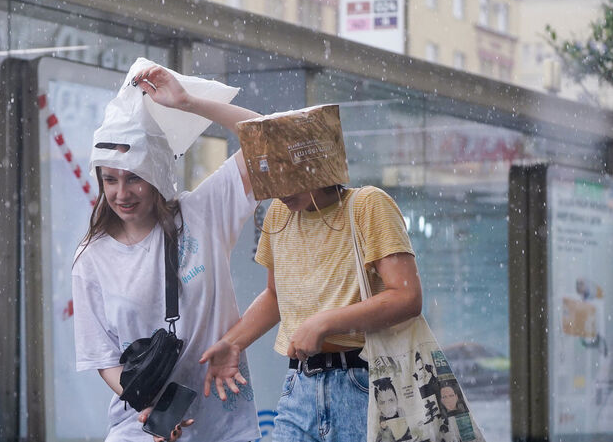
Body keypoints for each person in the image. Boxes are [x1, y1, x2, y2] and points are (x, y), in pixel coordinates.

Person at [196, 107, 423, 440]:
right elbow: (276, 296)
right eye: (270, 173)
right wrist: (233, 343)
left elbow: (407, 297)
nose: (278, 188)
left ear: (316, 162)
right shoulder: (278, 215)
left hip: (364, 381)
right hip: (299, 384)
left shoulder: (367, 205)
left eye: (287, 172)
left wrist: (324, 323)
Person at [71, 65, 261, 442]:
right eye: (110, 179)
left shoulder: (202, 213)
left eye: (134, 178)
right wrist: (149, 409)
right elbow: (104, 358)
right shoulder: (91, 258)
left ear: (157, 174)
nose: (121, 193)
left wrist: (188, 103)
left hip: (223, 427)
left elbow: (271, 136)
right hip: (139, 430)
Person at [373, 377, 412, 442]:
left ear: (397, 399)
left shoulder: (403, 415)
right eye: (382, 402)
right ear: (377, 405)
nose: (388, 407)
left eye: (391, 400)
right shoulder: (379, 425)